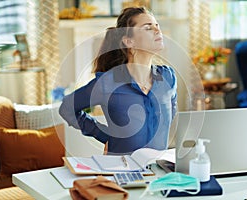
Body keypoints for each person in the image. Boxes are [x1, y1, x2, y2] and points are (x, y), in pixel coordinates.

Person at [59, 7, 177, 155]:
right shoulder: (108, 83)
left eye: (157, 25)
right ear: (129, 41)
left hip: (158, 171)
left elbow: (172, 109)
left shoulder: (168, 77)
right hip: (121, 170)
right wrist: (104, 135)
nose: (157, 30)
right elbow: (67, 107)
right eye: (148, 28)